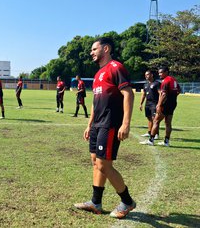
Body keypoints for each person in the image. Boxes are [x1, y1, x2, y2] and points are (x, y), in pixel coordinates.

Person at [74, 37, 136, 219]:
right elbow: (95, 101)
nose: (91, 52)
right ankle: (96, 203)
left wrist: (125, 123)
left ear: (106, 49)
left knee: (104, 164)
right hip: (97, 124)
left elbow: (128, 94)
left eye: (94, 49)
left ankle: (127, 201)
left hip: (110, 124)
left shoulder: (116, 67)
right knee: (95, 162)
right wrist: (89, 124)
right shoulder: (98, 74)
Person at [142, 66, 180, 147]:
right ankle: (166, 142)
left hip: (165, 104)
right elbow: (178, 90)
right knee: (168, 123)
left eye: (161, 72)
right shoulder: (174, 80)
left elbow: (163, 95)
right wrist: (172, 97)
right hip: (173, 103)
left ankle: (151, 140)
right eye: (159, 73)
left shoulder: (165, 81)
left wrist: (159, 105)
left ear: (166, 72)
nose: (159, 74)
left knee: (156, 121)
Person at [139, 70, 160, 140]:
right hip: (147, 104)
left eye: (147, 74)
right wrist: (141, 103)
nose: (146, 76)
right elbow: (144, 94)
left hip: (154, 103)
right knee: (149, 118)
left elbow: (160, 94)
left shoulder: (157, 83)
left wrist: (159, 104)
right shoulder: (145, 84)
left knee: (155, 119)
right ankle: (149, 132)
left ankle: (156, 134)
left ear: (152, 75)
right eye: (145, 75)